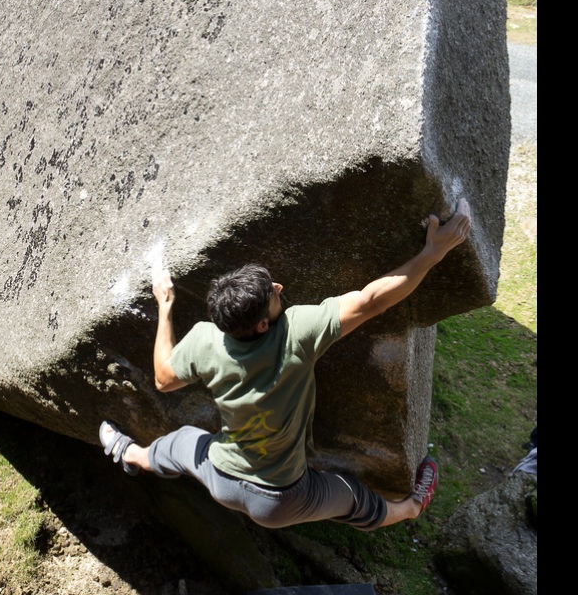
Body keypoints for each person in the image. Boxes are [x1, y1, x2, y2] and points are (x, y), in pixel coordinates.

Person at [100, 198, 471, 532]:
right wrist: (432, 253)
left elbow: (164, 379)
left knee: (180, 444)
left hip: (221, 475)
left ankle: (130, 454)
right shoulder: (296, 333)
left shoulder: (203, 339)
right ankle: (410, 508)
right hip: (280, 500)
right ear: (262, 325)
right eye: (272, 295)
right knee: (356, 498)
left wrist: (165, 308)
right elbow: (371, 301)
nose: (278, 287)